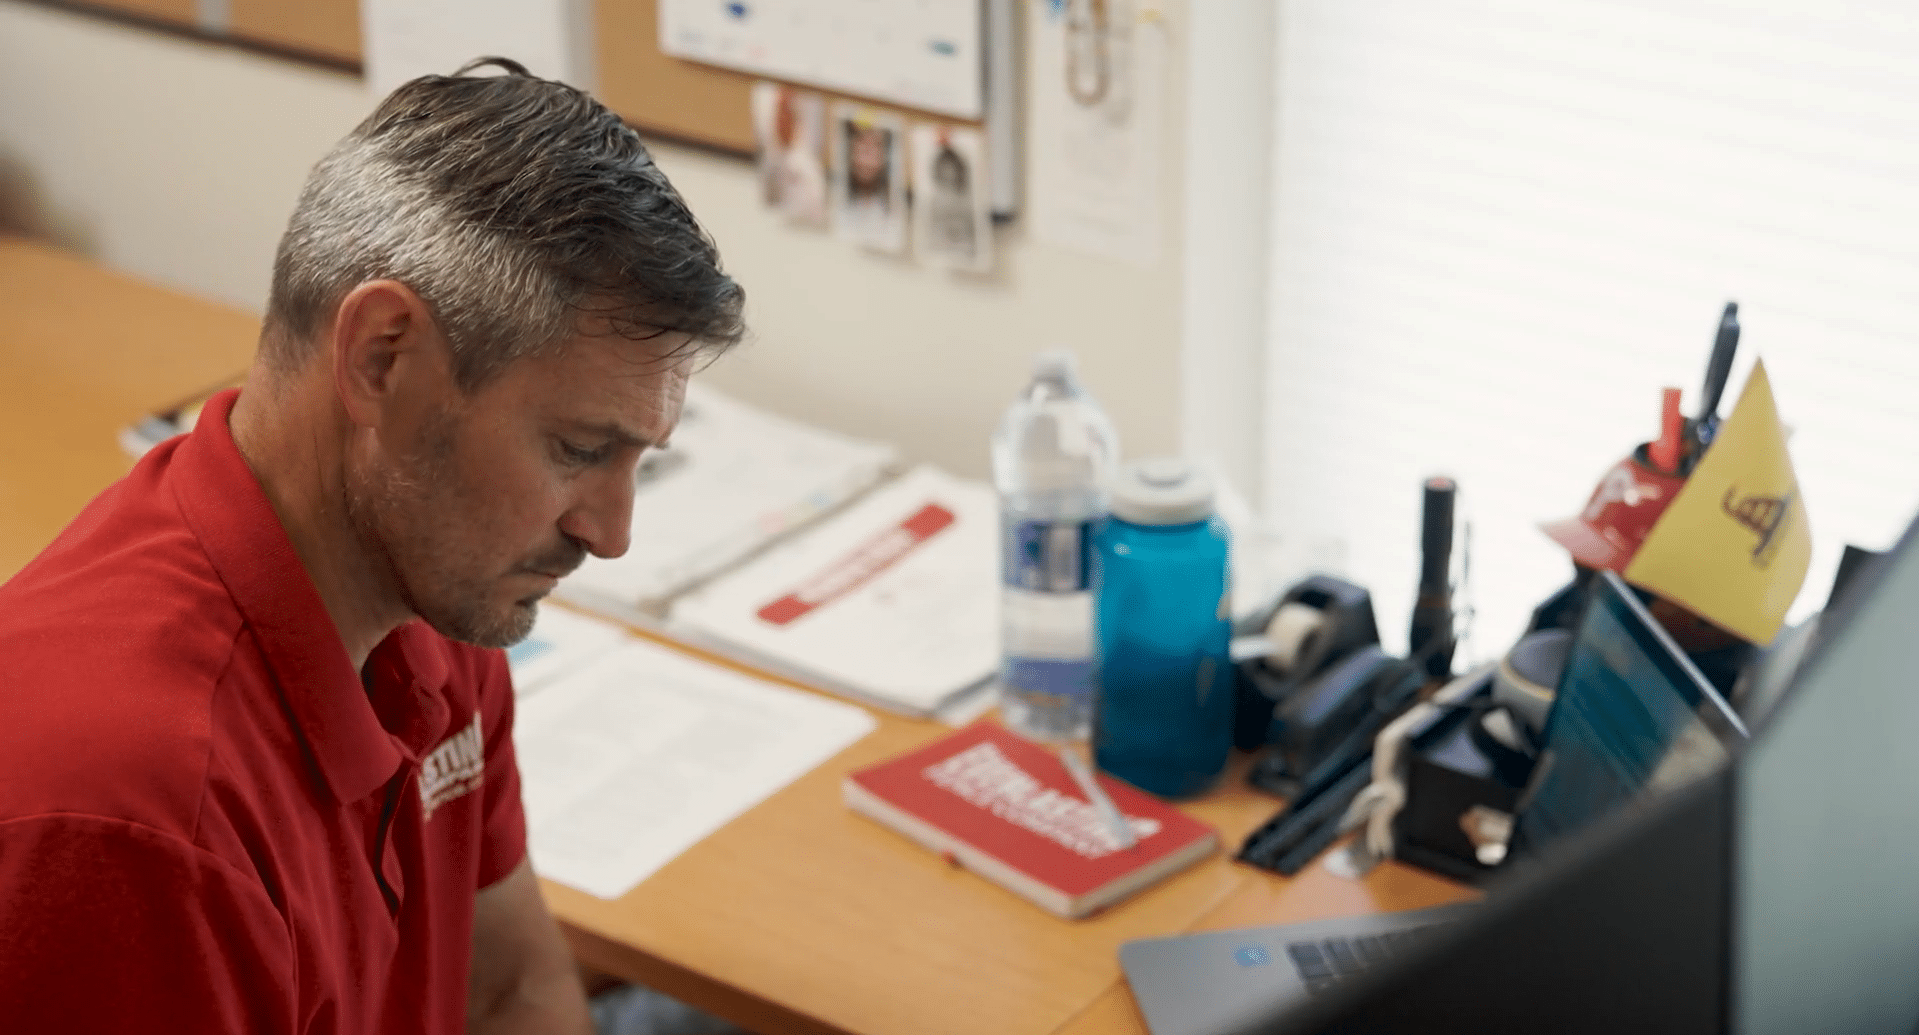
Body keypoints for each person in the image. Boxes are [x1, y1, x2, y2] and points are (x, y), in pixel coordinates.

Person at [0, 57, 744, 1033]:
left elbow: (510, 989)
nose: (609, 535)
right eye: (577, 450)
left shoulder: (438, 590)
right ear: (381, 357)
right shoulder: (134, 831)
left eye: (635, 461)